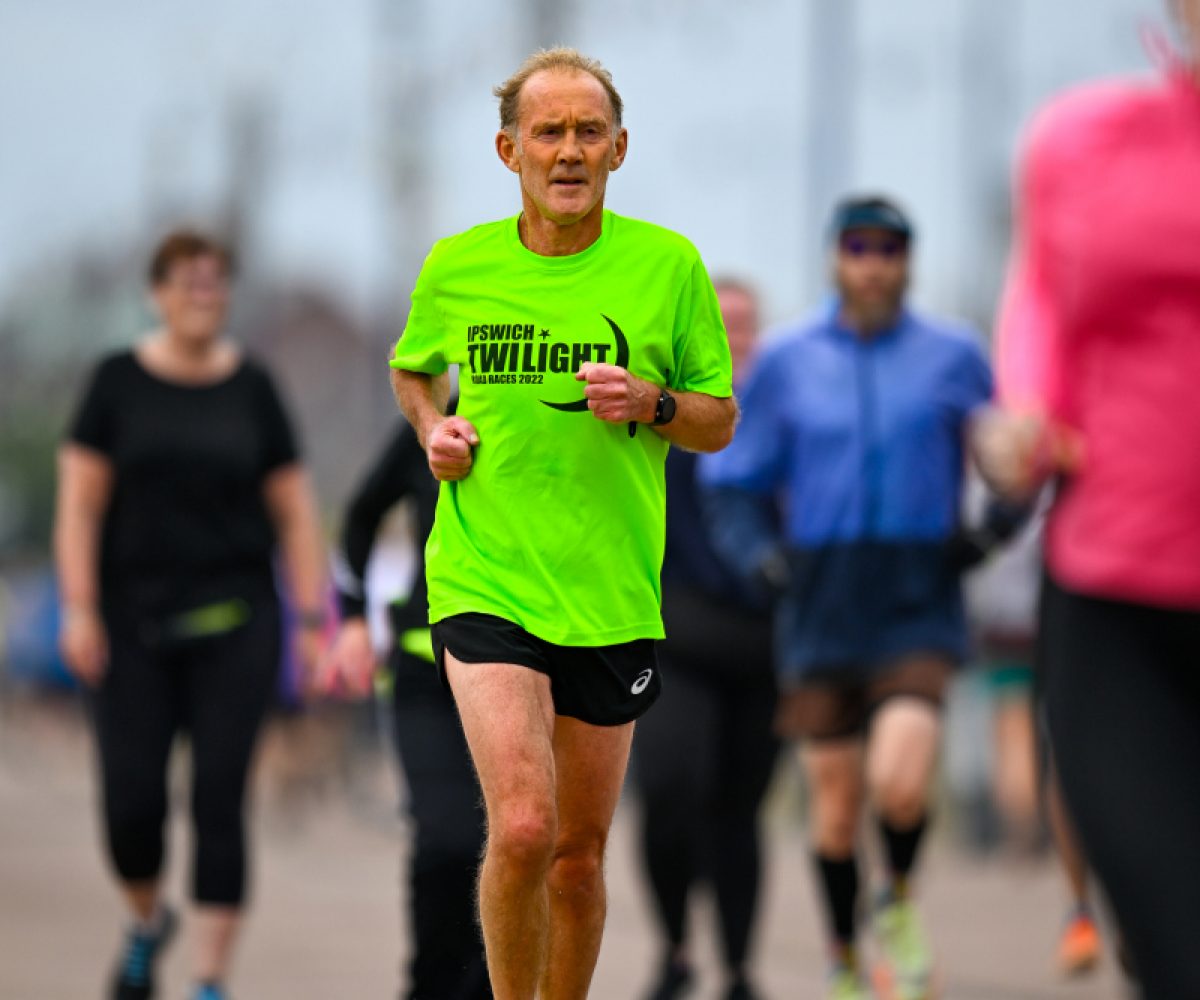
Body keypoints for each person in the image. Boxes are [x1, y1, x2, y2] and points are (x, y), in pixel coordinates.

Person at [387, 47, 737, 1000]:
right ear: (510, 151)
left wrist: (652, 403)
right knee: (526, 826)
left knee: (578, 860)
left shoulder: (668, 267)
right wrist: (435, 428)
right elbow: (412, 367)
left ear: (620, 149)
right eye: (550, 132)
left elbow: (718, 418)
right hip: (484, 574)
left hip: (609, 592)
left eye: (589, 132)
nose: (570, 151)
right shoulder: (458, 268)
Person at [702, 197, 1008, 1000]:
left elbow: (1009, 449)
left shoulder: (953, 355)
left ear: (908, 260)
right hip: (820, 596)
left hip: (917, 593)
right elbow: (732, 483)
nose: (873, 262)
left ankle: (897, 900)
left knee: (901, 781)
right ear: (836, 257)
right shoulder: (786, 361)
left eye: (890, 249)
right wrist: (760, 560)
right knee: (834, 808)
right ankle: (843, 954)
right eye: (858, 247)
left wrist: (995, 526)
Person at [975, 3, 1200, 994]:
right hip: (1117, 602)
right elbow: (1043, 320)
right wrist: (1019, 421)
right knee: (1174, 946)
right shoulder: (1085, 141)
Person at [54, 230, 327, 1000]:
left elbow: (297, 516)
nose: (202, 293)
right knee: (132, 803)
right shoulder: (115, 383)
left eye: (215, 281)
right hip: (129, 624)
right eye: (186, 280)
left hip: (236, 624)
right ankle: (146, 924)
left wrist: (311, 622)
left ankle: (210, 979)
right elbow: (79, 507)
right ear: (156, 292)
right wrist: (78, 610)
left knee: (218, 798)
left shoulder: (255, 389)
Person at [634, 279, 778, 1000]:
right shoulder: (665, 412)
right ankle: (674, 947)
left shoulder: (784, 417)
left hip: (764, 641)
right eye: (721, 323)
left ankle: (740, 971)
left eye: (746, 325)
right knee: (670, 788)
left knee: (739, 808)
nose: (734, 335)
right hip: (674, 636)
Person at [321, 403, 491, 1000]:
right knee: (449, 839)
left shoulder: (564, 416)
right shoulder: (438, 420)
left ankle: (493, 985)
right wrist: (350, 621)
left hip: (534, 670)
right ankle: (430, 985)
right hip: (429, 665)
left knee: (516, 845)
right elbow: (362, 514)